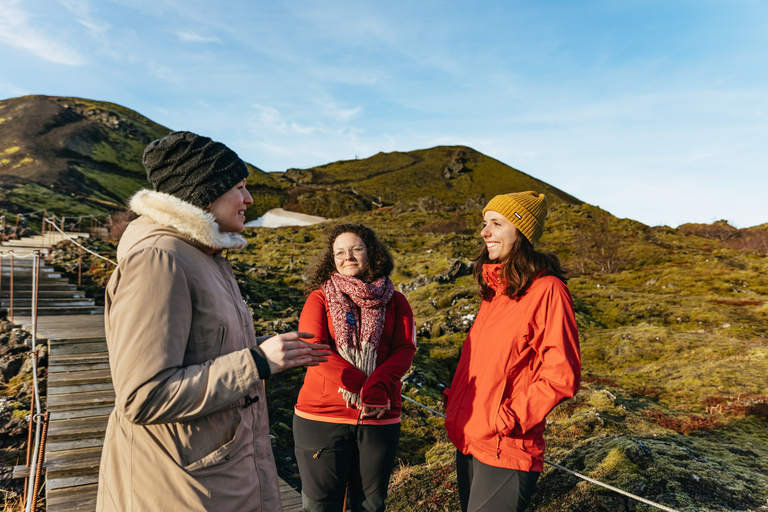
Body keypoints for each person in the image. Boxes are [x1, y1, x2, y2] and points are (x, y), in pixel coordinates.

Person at [96, 131, 330, 511]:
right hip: (179, 487)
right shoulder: (160, 259)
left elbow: (204, 349)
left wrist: (268, 351)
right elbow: (142, 396)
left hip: (216, 474)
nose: (249, 199)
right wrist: (257, 362)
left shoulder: (205, 255)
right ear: (203, 192)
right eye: (239, 187)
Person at [444, 191, 581, 512]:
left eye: (496, 223)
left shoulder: (548, 290)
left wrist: (505, 418)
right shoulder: (496, 290)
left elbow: (562, 376)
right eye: (484, 223)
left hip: (508, 446)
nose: (484, 232)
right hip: (470, 438)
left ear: (521, 232)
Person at [293, 223, 416, 512]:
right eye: (339, 252)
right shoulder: (319, 298)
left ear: (371, 252)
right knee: (320, 505)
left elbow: (405, 349)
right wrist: (362, 385)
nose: (347, 256)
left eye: (355, 249)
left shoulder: (396, 301)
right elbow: (314, 348)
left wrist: (378, 386)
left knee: (371, 504)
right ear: (331, 259)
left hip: (380, 415)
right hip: (322, 418)